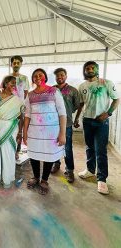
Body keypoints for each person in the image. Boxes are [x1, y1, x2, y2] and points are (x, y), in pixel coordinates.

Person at [74, 61, 119, 195]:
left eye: (93, 67)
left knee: (101, 150)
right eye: (87, 68)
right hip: (87, 120)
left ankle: (102, 179)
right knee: (89, 147)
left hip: (101, 122)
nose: (90, 69)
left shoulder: (106, 83)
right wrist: (77, 118)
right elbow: (81, 105)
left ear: (97, 69)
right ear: (85, 71)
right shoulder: (82, 86)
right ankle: (90, 170)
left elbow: (117, 99)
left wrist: (108, 113)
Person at [23, 68, 67, 195]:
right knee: (34, 155)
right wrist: (25, 132)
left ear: (45, 77)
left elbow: (62, 113)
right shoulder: (30, 95)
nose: (38, 77)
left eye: (40, 75)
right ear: (32, 79)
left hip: (51, 132)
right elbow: (27, 115)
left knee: (49, 155)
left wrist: (62, 133)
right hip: (34, 132)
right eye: (35, 76)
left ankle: (44, 180)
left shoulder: (54, 91)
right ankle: (36, 177)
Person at [0, 76, 23, 188]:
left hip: (12, 127)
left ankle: (8, 178)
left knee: (9, 152)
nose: (14, 85)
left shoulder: (17, 99)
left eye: (15, 84)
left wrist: (20, 132)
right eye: (12, 83)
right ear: (5, 83)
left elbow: (21, 117)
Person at [51, 68, 80, 183]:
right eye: (57, 76)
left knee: (67, 148)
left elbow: (76, 105)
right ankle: (56, 163)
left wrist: (68, 112)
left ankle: (69, 170)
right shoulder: (52, 90)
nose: (59, 77)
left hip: (67, 123)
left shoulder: (72, 90)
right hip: (53, 123)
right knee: (55, 145)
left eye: (62, 75)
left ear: (66, 76)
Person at [10, 55, 30, 164]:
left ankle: (17, 151)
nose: (16, 64)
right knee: (10, 129)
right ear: (11, 64)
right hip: (9, 108)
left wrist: (24, 107)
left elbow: (26, 94)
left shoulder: (24, 78)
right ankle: (10, 149)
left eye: (18, 63)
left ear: (21, 64)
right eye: (14, 63)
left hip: (20, 108)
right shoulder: (7, 78)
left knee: (19, 130)